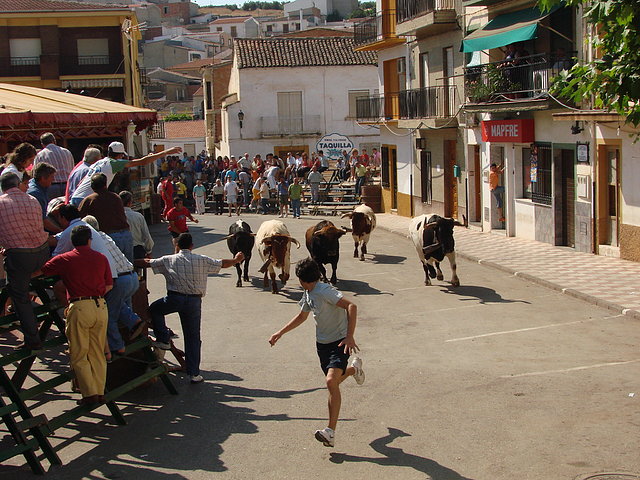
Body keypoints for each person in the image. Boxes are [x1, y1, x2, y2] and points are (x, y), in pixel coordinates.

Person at [268, 258, 364, 448]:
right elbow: (302, 316)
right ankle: (354, 369)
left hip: (339, 342)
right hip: (322, 345)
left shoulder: (325, 290)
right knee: (333, 383)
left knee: (330, 382)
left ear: (305, 280)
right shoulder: (308, 292)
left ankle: (330, 432)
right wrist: (280, 332)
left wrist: (350, 336)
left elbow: (351, 306)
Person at [137, 233, 244, 383]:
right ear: (192, 246)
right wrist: (236, 260)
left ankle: (163, 339)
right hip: (194, 302)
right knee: (193, 337)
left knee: (155, 309)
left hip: (174, 298)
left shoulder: (169, 259)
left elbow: (147, 262)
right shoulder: (202, 259)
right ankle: (194, 374)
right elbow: (222, 263)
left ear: (177, 246)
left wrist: (128, 262)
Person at [40, 225, 112, 405]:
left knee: (79, 353)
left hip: (79, 306)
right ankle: (100, 390)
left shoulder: (66, 259)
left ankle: (89, 394)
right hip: (100, 306)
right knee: (97, 352)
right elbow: (109, 284)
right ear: (89, 240)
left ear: (72, 241)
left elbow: (45, 270)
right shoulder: (101, 258)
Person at [0, 172, 50, 350]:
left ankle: (32, 338)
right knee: (25, 286)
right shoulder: (32, 199)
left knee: (18, 294)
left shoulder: (1, 203)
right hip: (42, 253)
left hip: (21, 257)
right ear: (18, 184)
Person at [82, 215, 143, 356]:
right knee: (116, 302)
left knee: (109, 316)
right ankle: (134, 321)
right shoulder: (105, 236)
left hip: (120, 280)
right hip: (132, 276)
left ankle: (118, 346)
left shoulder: (91, 242)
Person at [71, 142, 181, 206]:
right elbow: (142, 161)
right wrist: (166, 152)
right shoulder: (113, 163)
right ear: (120, 155)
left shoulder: (100, 162)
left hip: (76, 196)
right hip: (85, 200)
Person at [79, 173, 133, 261]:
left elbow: (79, 218)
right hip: (126, 234)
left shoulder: (89, 200)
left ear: (92, 186)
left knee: (114, 269)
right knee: (128, 266)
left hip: (109, 236)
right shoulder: (116, 197)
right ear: (105, 184)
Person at [33, 133, 75, 200]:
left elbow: (36, 173)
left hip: (51, 186)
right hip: (68, 185)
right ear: (54, 141)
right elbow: (73, 168)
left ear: (42, 144)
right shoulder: (67, 152)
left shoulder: (40, 155)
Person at [27, 162, 62, 234]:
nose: (53, 180)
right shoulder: (36, 194)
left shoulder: (37, 185)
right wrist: (62, 232)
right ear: (43, 178)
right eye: (51, 177)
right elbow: (43, 222)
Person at [119, 190, 154, 260]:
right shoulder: (138, 216)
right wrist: (149, 250)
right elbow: (146, 235)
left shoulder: (116, 216)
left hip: (120, 250)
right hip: (137, 249)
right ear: (130, 203)